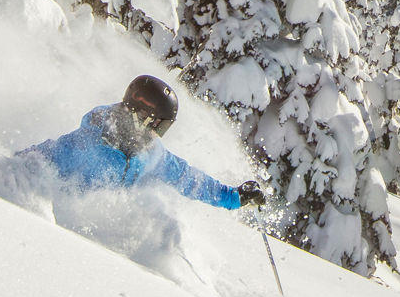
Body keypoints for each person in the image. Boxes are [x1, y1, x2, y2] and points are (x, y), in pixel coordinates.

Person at [21, 75, 259, 211]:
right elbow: (43, 157)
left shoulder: (151, 153)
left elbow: (187, 178)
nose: (158, 133)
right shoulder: (90, 143)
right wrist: (10, 169)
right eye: (158, 125)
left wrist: (234, 196)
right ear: (139, 116)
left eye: (164, 127)